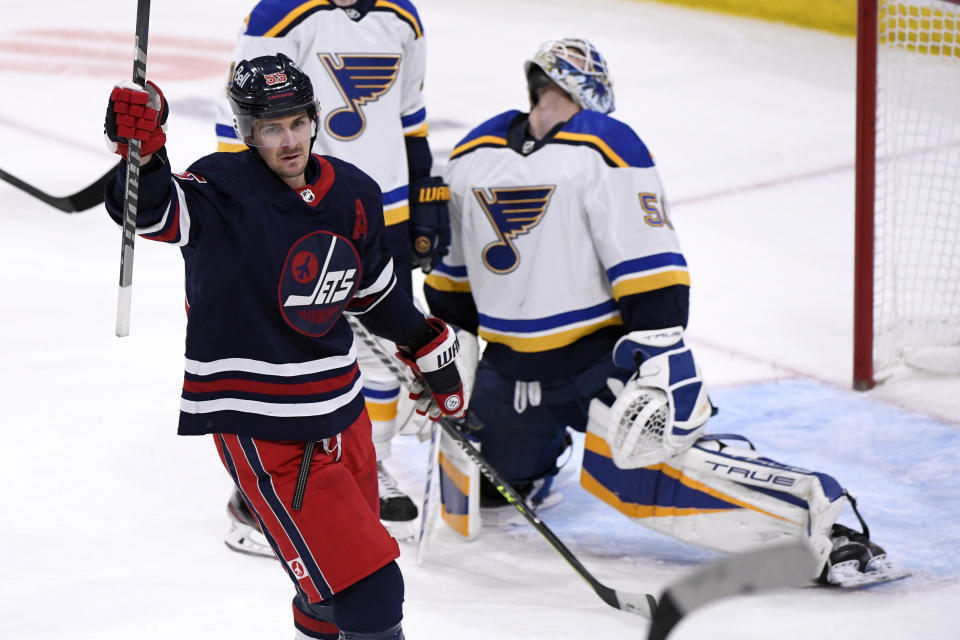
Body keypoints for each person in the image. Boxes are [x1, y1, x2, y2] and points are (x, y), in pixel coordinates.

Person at [423, 38, 906, 587]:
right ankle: (534, 455)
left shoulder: (510, 149)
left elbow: (647, 268)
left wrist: (658, 361)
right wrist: (446, 364)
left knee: (652, 481)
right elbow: (452, 280)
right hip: (509, 376)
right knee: (489, 488)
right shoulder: (512, 151)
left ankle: (826, 531)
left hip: (596, 366)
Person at [103, 53, 465, 640]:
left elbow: (373, 296)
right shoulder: (221, 190)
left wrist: (428, 347)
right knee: (373, 592)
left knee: (328, 593)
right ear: (248, 133)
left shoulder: (353, 192)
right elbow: (148, 210)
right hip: (265, 427)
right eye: (271, 128)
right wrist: (143, 150)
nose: (289, 140)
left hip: (345, 415)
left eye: (297, 122)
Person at [214, 0, 450, 546]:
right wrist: (241, 213)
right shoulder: (280, 14)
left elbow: (410, 116)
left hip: (380, 211)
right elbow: (243, 121)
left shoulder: (403, 17)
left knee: (386, 352)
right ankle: (256, 492)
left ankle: (372, 464)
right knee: (285, 352)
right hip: (298, 212)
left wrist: (426, 195)